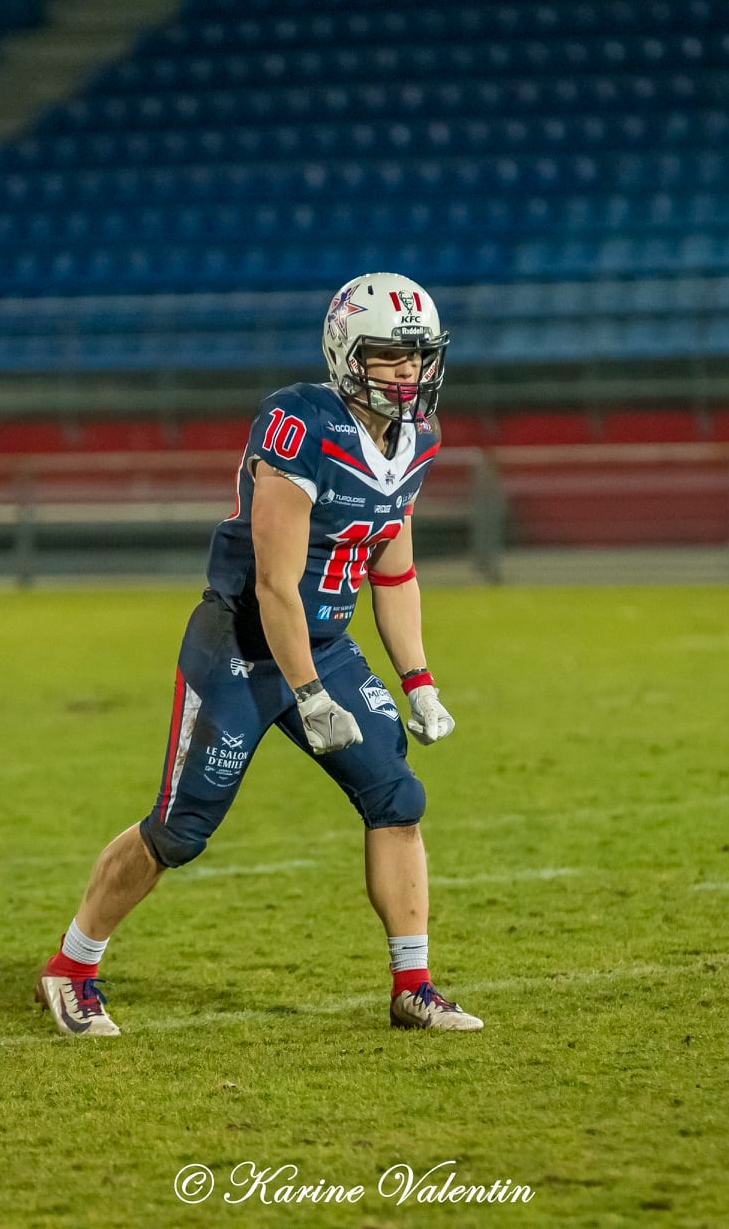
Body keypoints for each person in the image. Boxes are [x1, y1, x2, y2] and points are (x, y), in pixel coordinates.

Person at [37, 273, 481, 1037]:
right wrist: (310, 695)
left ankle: (413, 985)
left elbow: (394, 567)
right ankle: (71, 968)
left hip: (327, 646)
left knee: (399, 800)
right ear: (348, 355)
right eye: (387, 356)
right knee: (181, 829)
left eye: (417, 357)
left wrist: (420, 681)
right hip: (243, 644)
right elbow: (276, 584)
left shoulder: (419, 441)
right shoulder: (298, 422)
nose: (406, 374)